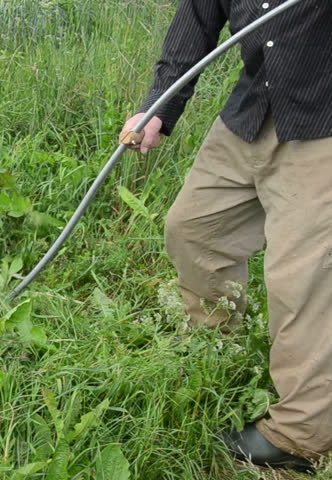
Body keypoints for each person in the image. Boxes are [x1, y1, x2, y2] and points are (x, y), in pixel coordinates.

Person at [119, 0, 332, 472]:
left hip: (324, 123)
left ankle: (302, 435)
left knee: (302, 276)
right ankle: (213, 346)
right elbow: (196, 20)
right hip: (253, 110)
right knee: (194, 229)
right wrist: (158, 107)